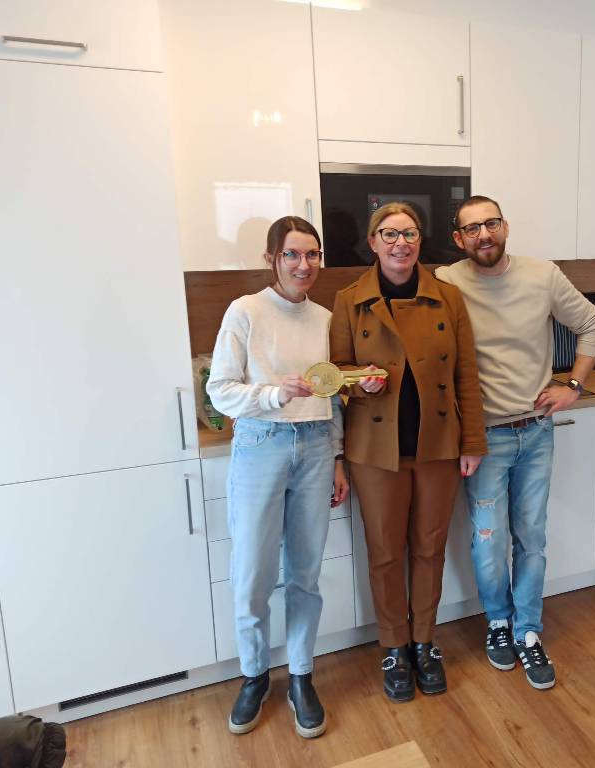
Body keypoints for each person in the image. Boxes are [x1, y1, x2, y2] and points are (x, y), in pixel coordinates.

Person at [436, 195, 595, 690]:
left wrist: (573, 386)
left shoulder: (543, 275)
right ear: (459, 239)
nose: (483, 234)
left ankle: (528, 631)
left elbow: (591, 323)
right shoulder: (447, 283)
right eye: (472, 228)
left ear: (505, 226)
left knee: (531, 536)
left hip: (535, 430)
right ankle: (498, 622)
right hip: (482, 438)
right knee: (488, 540)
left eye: (491, 224)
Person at [329, 202, 486, 702]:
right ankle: (394, 647)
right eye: (390, 234)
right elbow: (336, 373)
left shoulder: (448, 298)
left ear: (421, 240)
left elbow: (466, 374)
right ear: (373, 242)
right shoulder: (349, 301)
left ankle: (424, 642)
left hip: (437, 443)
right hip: (376, 449)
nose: (401, 243)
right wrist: (359, 384)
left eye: (410, 233)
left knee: (429, 548)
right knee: (384, 553)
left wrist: (472, 441)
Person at [207, 215, 349, 738]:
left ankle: (301, 676)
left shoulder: (325, 319)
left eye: (312, 254)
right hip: (261, 445)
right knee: (253, 573)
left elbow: (333, 394)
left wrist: (337, 457)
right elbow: (220, 391)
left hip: (315, 448)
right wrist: (273, 394)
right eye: (292, 254)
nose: (303, 264)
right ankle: (253, 676)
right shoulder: (244, 311)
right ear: (272, 258)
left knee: (305, 573)